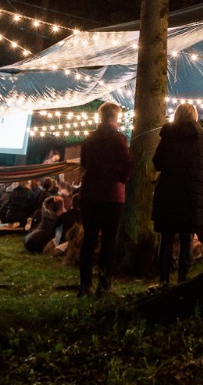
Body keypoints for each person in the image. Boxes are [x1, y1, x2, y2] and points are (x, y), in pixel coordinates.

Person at [151, 102, 203, 285]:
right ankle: (183, 279)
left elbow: (158, 162)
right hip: (192, 194)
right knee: (187, 238)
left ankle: (163, 280)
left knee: (166, 238)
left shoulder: (169, 133)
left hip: (169, 192)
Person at [77, 102, 132, 296]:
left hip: (89, 194)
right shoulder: (119, 140)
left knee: (89, 239)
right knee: (108, 242)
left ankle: (85, 284)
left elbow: (84, 163)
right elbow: (127, 165)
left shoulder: (89, 138)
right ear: (114, 117)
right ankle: (104, 285)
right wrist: (121, 178)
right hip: (111, 195)